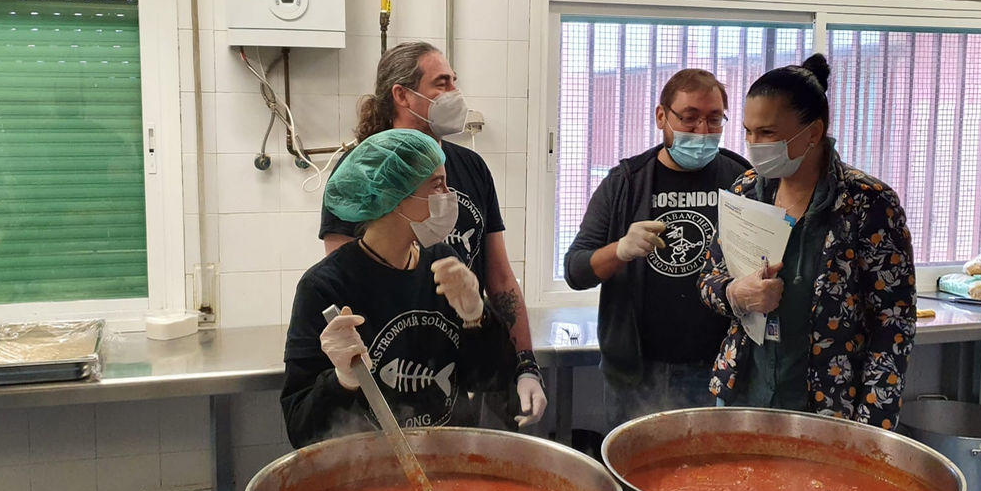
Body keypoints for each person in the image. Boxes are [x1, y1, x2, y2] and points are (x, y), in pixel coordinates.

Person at [319, 41, 545, 430]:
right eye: (442, 83)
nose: (454, 93)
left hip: (463, 368)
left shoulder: (471, 167)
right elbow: (344, 283)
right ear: (402, 95)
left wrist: (525, 363)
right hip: (384, 383)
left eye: (454, 81)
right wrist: (350, 374)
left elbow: (501, 278)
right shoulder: (364, 171)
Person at [697, 54, 916, 429]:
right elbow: (708, 279)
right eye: (748, 131)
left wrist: (870, 426)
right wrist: (735, 293)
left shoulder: (867, 203)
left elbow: (892, 321)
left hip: (828, 407)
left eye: (767, 134)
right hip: (743, 394)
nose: (753, 144)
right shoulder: (747, 191)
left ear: (813, 132)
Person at [282, 129, 516, 447]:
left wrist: (477, 317)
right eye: (437, 185)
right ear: (394, 196)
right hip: (366, 473)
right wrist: (343, 380)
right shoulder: (325, 288)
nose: (449, 194)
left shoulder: (443, 262)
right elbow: (301, 430)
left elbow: (491, 378)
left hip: (451, 461)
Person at [563, 69, 751, 429]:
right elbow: (576, 270)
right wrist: (619, 250)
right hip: (637, 371)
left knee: (706, 478)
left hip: (717, 367)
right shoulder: (626, 183)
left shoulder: (741, 179)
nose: (702, 131)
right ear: (661, 116)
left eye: (714, 119)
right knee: (634, 474)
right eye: (690, 117)